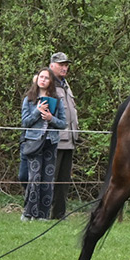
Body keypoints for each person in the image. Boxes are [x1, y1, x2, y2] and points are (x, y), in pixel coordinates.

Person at [20, 68, 60, 221]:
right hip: (33, 142)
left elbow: (62, 123)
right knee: (34, 178)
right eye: (41, 77)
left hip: (51, 142)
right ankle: (29, 213)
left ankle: (43, 215)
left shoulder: (57, 100)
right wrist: (37, 111)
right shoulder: (29, 99)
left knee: (47, 179)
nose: (43, 80)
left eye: (46, 78)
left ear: (51, 82)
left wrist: (51, 118)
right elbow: (25, 122)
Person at [45, 52, 79, 220]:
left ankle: (59, 214)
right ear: (52, 65)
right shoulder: (48, 85)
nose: (64, 68)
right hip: (55, 140)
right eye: (61, 65)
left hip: (69, 139)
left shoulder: (65, 85)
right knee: (50, 178)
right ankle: (44, 212)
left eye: (66, 65)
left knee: (64, 180)